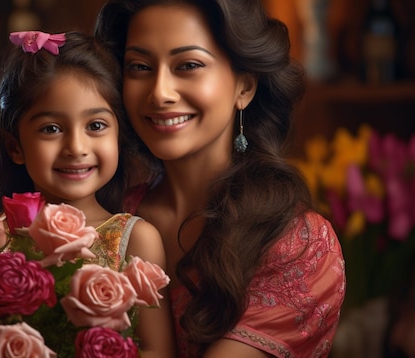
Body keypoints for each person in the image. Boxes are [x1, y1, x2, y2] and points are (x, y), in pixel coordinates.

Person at [94, 1, 346, 357]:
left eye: (189, 65)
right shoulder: (106, 214)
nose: (159, 92)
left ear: (244, 86)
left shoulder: (296, 244)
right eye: (139, 67)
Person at [0, 30, 175, 357]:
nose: (76, 147)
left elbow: (157, 350)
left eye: (96, 126)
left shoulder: (135, 239)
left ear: (119, 133)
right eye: (51, 129)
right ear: (15, 146)